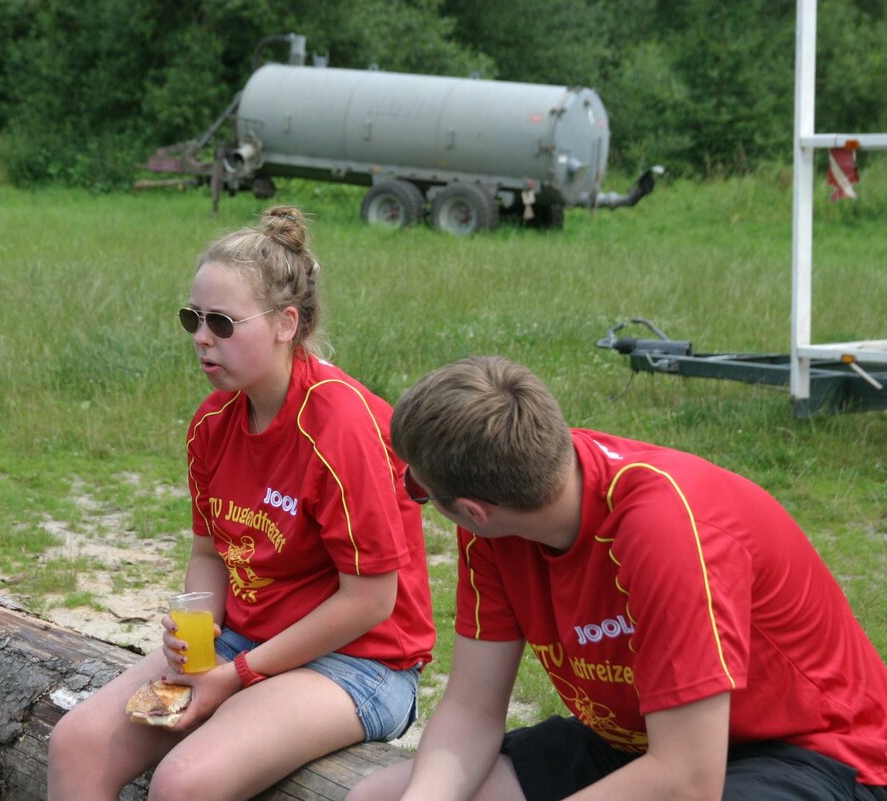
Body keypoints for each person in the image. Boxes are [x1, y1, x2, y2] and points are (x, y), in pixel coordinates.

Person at [348, 355, 887, 801]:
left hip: (812, 754)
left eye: (417, 490)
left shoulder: (666, 532)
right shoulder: (497, 521)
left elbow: (687, 780)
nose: (412, 492)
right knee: (378, 796)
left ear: (472, 509)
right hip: (643, 741)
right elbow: (471, 707)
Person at [47, 206, 435, 801]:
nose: (201, 338)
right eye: (193, 318)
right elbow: (209, 553)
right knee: (77, 743)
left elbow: (371, 600)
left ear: (285, 324)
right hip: (243, 643)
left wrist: (237, 676)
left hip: (360, 660)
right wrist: (197, 635)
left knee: (184, 782)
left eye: (222, 323)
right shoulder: (213, 422)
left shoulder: (340, 425)